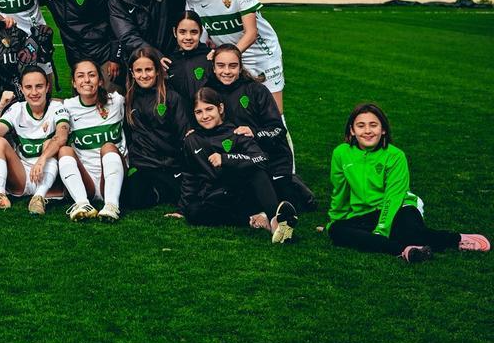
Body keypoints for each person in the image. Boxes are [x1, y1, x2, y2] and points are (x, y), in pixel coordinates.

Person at [327, 103, 490, 262]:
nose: (368, 131)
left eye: (373, 125)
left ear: (383, 130)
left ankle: (457, 240)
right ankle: (407, 251)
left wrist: (381, 230)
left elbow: (393, 197)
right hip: (366, 214)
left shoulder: (395, 156)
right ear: (352, 130)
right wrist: (334, 221)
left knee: (410, 234)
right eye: (361, 126)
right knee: (336, 231)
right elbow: (340, 192)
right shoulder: (341, 153)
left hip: (400, 207)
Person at [174, 87, 297, 244]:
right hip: (217, 198)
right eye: (199, 112)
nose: (205, 116)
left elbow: (261, 158)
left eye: (209, 109)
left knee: (256, 173)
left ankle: (275, 222)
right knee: (194, 212)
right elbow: (189, 176)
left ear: (220, 108)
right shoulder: (191, 140)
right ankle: (254, 218)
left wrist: (226, 159)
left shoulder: (236, 132)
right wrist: (182, 210)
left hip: (242, 192)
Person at [204, 45, 315, 212]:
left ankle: (298, 189)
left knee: (287, 203)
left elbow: (278, 129)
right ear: (213, 67)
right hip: (239, 158)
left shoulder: (256, 90)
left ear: (240, 67)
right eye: (221, 65)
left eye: (233, 66)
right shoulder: (209, 92)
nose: (226, 71)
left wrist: (254, 132)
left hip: (272, 158)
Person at [186, 0, 287, 109]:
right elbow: (200, 33)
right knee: (238, 110)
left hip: (262, 54)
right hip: (228, 59)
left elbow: (251, 33)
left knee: (274, 112)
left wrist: (226, 58)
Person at [0, 65, 68, 214]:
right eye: (28, 87)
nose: (34, 92)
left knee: (50, 143)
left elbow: (62, 137)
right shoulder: (17, 109)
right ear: (21, 89)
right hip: (21, 176)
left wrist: (42, 159)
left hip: (48, 177)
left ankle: (39, 198)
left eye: (39, 86)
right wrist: (1, 106)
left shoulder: (57, 107)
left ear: (47, 87)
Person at [36, 0, 120, 92]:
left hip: (103, 56)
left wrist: (115, 57)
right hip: (76, 59)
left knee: (110, 107)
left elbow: (115, 20)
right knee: (82, 108)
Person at [58, 59, 127, 221]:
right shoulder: (67, 107)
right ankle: (82, 203)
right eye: (80, 76)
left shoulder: (116, 101)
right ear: (74, 83)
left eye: (92, 75)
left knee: (108, 147)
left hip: (114, 176)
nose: (86, 80)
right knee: (64, 150)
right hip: (85, 179)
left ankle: (111, 205)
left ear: (101, 81)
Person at [121, 47, 188, 210]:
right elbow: (129, 134)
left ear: (158, 71)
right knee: (128, 199)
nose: (144, 75)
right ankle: (160, 190)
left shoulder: (172, 97)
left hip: (168, 163)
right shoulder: (129, 99)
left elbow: (184, 134)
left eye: (149, 69)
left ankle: (164, 189)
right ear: (132, 72)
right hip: (144, 164)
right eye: (139, 70)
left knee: (187, 195)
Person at [166, 10, 213, 117]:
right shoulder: (169, 62)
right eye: (182, 32)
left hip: (208, 119)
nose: (188, 37)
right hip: (181, 124)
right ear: (174, 32)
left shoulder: (211, 57)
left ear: (201, 32)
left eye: (194, 32)